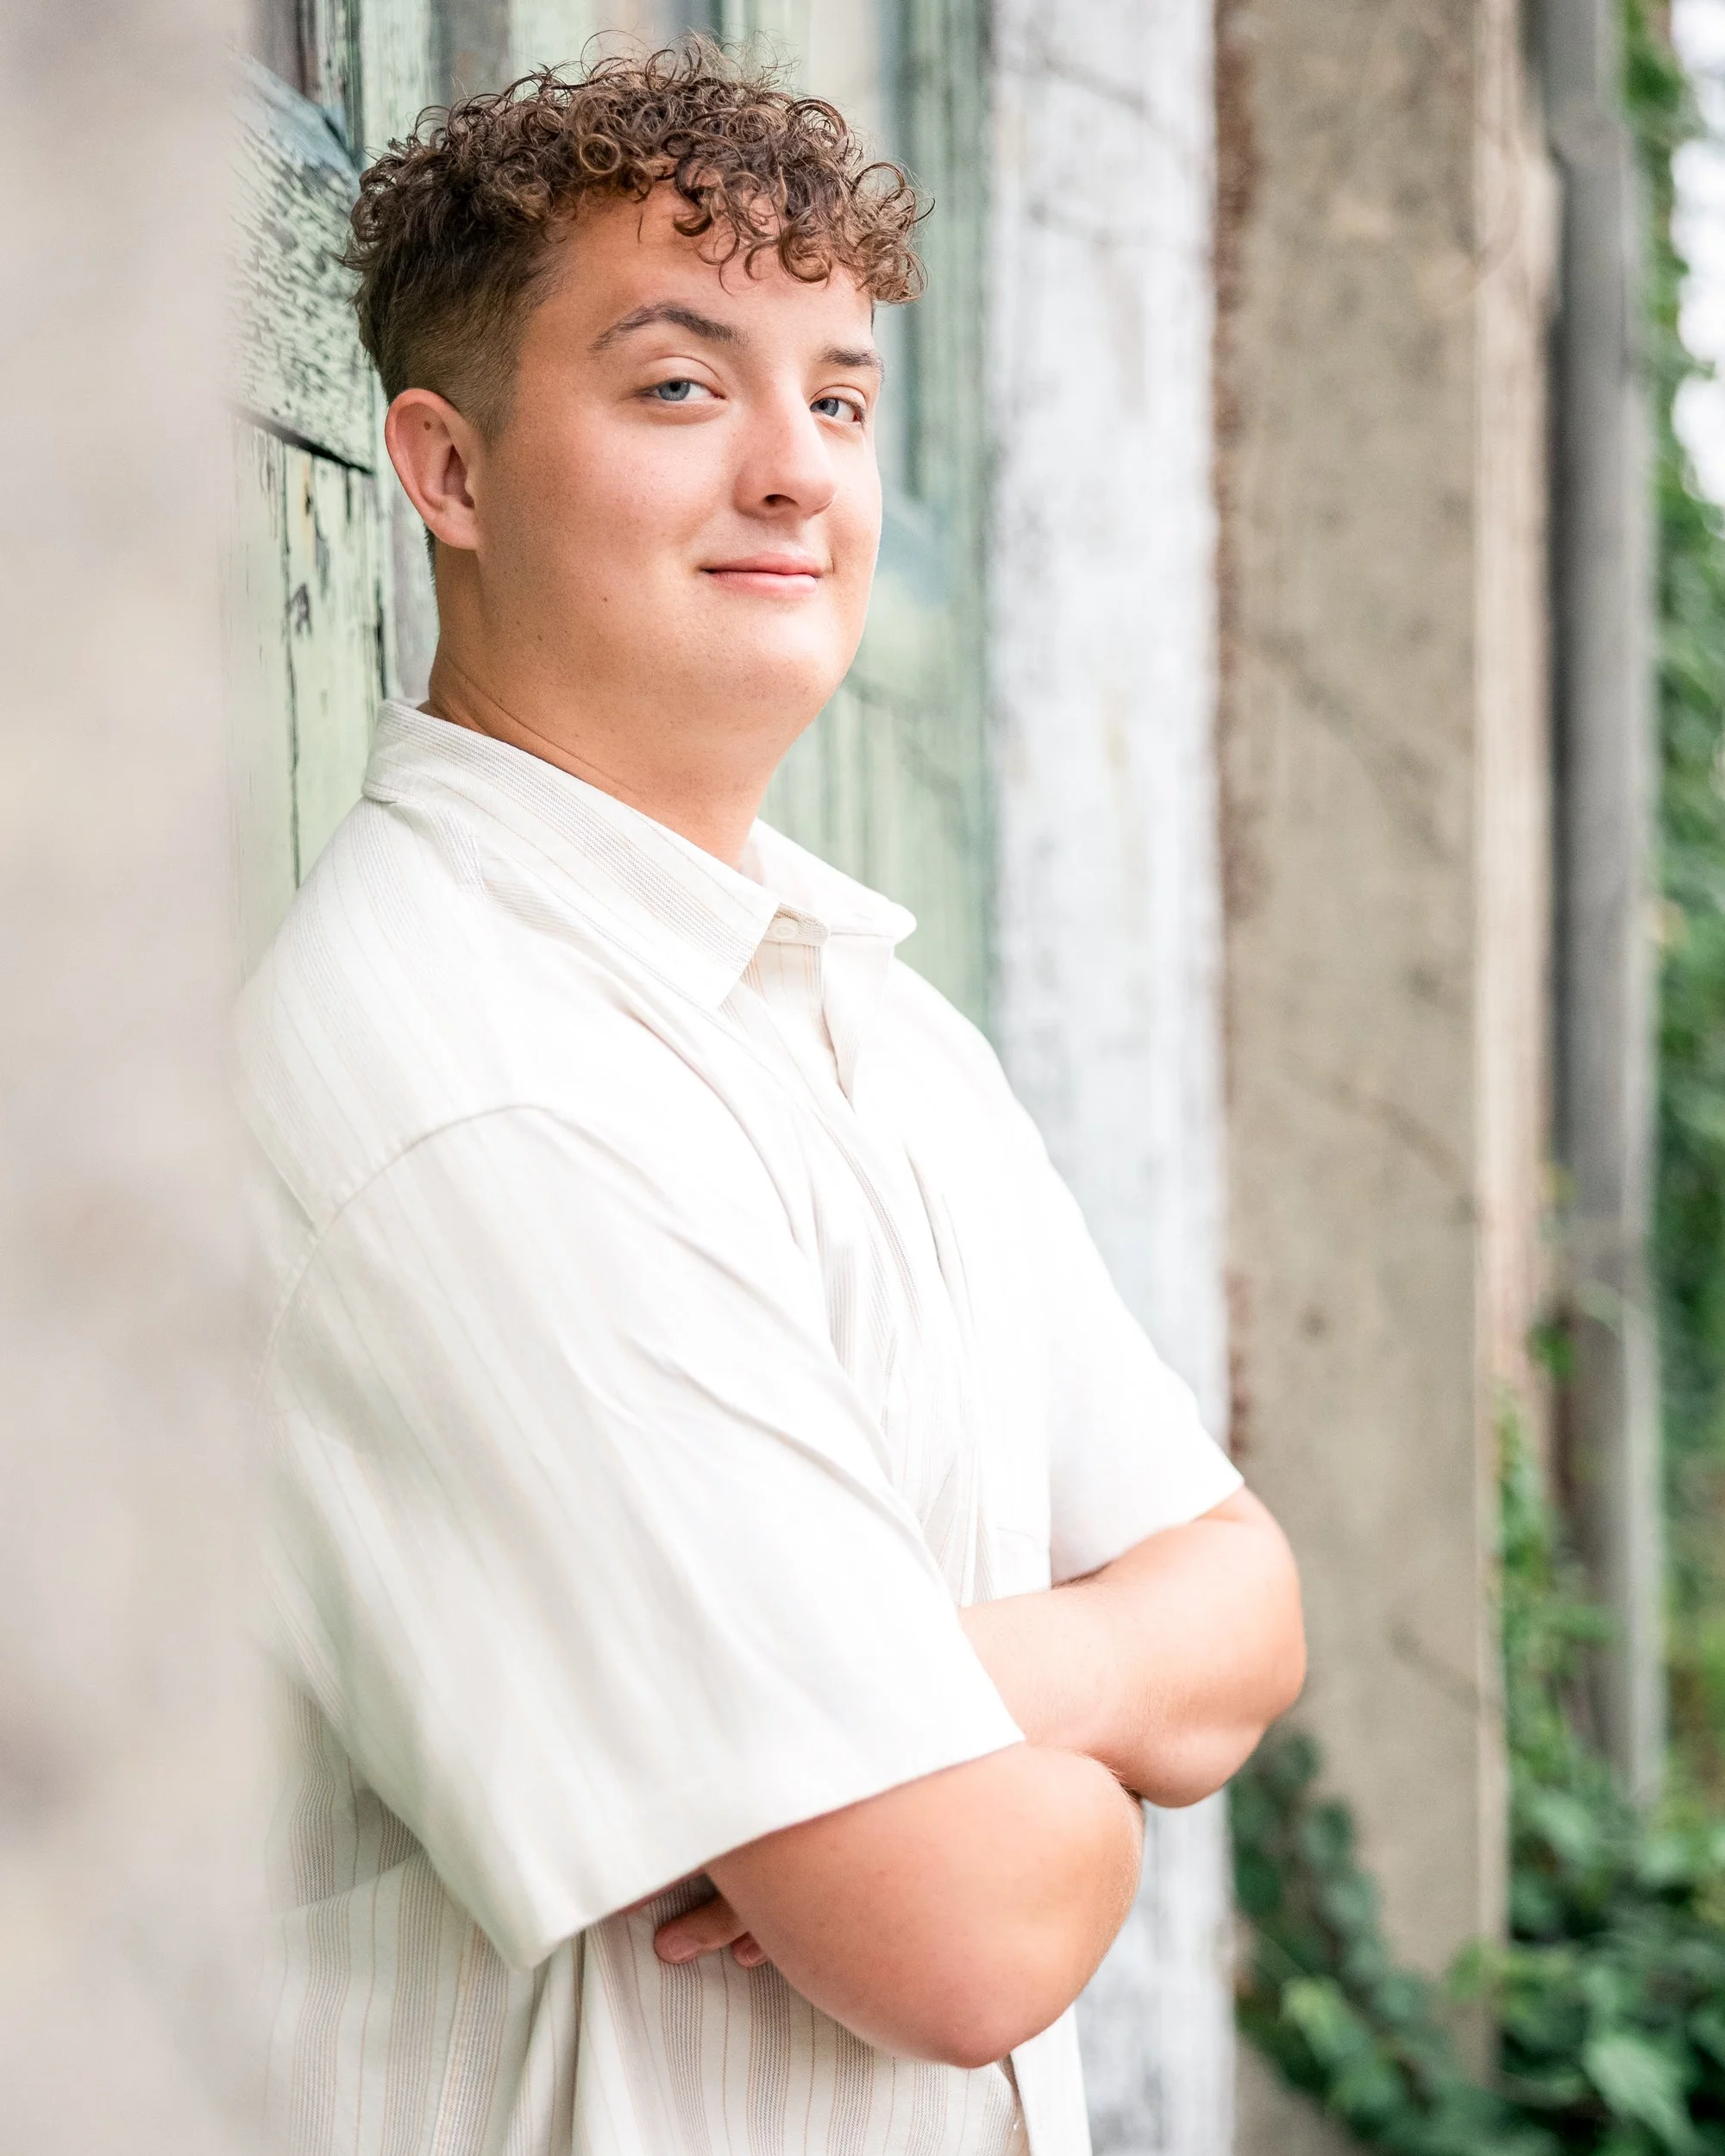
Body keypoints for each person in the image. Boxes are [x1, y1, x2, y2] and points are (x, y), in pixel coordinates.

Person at [241, 41, 1305, 2156]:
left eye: (833, 395)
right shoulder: (470, 1080)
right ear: (443, 472)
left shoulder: (869, 1012)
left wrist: (911, 1703)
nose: (796, 469)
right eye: (676, 384)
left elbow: (1244, 1606)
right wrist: (1063, 1749)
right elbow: (973, 1923)